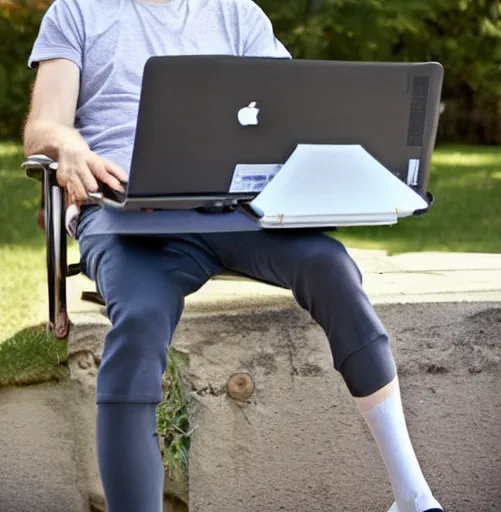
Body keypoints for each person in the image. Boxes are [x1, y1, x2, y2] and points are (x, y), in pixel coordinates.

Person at [23, 1, 444, 511]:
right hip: (125, 213)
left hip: (234, 208)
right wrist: (67, 146)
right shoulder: (77, 12)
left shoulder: (238, 13)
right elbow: (44, 125)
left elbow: (296, 109)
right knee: (139, 319)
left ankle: (413, 496)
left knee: (329, 265)